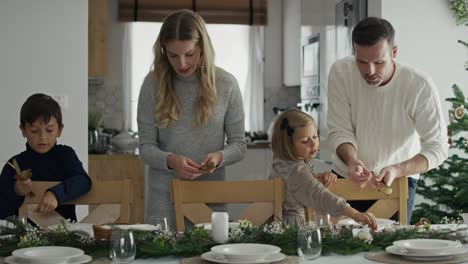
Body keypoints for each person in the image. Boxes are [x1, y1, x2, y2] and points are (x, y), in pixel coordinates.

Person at [327, 17, 449, 223]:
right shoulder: (341, 72)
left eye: (379, 62)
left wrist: (398, 169)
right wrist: (352, 160)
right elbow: (339, 130)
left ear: (394, 52)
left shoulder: (419, 85)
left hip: (397, 183)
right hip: (347, 177)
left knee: (393, 250)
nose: (370, 71)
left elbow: (438, 147)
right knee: (339, 249)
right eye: (362, 62)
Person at [137, 10, 246, 227]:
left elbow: (239, 145)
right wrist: (170, 161)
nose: (182, 63)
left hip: (210, 197)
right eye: (173, 55)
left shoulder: (227, 84)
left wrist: (219, 157)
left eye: (190, 53)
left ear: (203, 48)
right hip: (163, 200)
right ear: (163, 51)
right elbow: (146, 147)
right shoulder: (152, 84)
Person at [269, 109, 377, 229]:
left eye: (315, 136)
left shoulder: (282, 164)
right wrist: (354, 214)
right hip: (291, 232)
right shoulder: (296, 170)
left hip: (278, 228)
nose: (313, 144)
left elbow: (301, 186)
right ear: (287, 144)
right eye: (305, 141)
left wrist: (316, 178)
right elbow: (319, 195)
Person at [0, 93, 92, 222]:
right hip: (25, 240)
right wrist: (16, 192)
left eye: (49, 130)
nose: (42, 137)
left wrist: (55, 194)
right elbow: (2, 211)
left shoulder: (66, 155)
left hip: (65, 238)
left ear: (60, 129)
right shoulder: (15, 164)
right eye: (34, 131)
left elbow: (83, 181)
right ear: (23, 130)